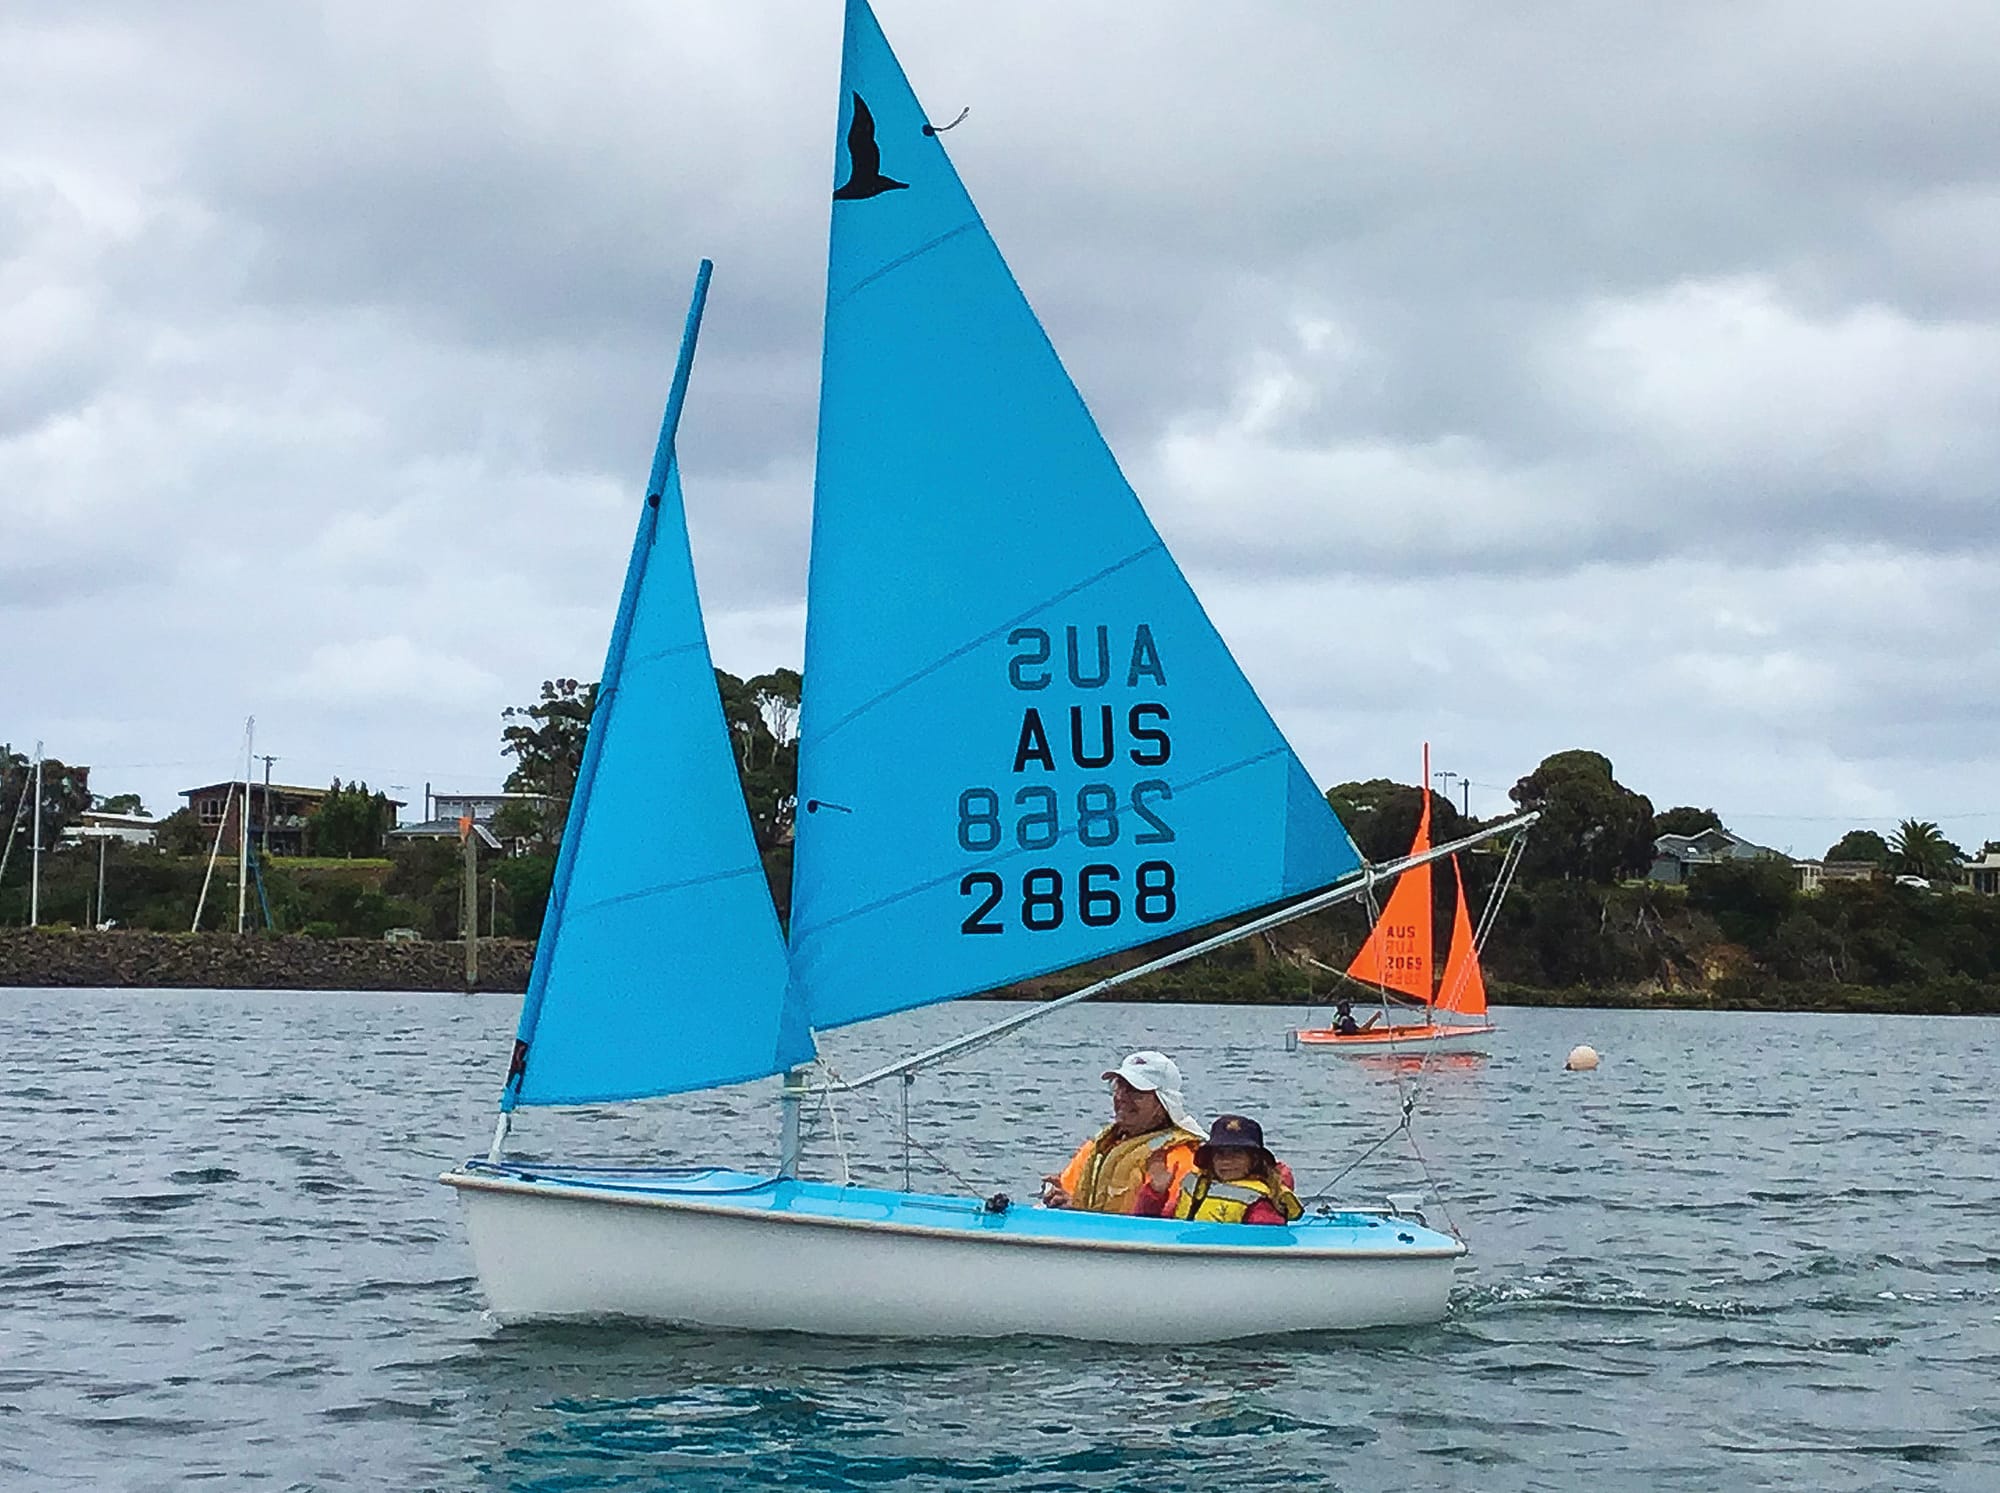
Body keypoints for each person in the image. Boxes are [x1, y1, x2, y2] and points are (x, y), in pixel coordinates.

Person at [1041, 1051, 1204, 1214]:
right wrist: (1058, 1198)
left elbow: (1163, 1221)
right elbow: (1069, 1194)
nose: (1121, 1097)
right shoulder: (1099, 1148)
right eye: (1119, 1086)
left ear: (1163, 1103)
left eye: (1134, 1091)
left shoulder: (1180, 1158)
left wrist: (1079, 1210)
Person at [1135, 1113, 1304, 1225]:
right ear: (1211, 1158)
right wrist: (1155, 1193)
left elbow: (1264, 1245)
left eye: (1236, 1154)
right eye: (1220, 1154)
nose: (1226, 1161)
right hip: (1187, 1260)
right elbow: (1152, 1223)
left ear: (1254, 1160)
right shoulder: (1194, 1185)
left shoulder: (1261, 1202)